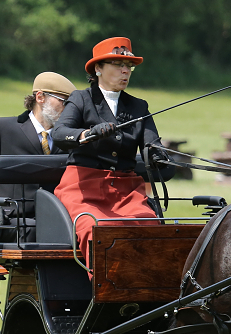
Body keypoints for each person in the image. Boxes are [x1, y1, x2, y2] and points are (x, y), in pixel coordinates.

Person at [52, 37, 168, 265]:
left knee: (151, 230)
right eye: (118, 65)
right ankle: (108, 294)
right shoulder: (81, 99)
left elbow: (151, 144)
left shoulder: (138, 106)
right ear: (98, 68)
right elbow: (59, 133)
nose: (125, 71)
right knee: (96, 231)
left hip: (126, 192)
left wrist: (157, 155)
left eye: (129, 66)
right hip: (84, 189)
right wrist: (87, 134)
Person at [0, 71, 77, 207]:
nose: (69, 110)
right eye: (64, 102)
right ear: (40, 97)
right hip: (10, 223)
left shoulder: (71, 139)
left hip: (59, 223)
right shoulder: (1, 129)